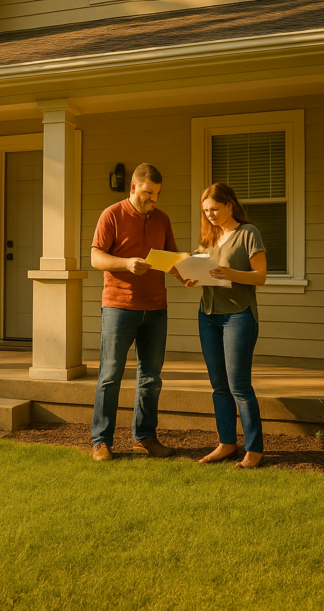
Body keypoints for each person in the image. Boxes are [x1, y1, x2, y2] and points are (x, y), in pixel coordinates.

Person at [89, 163, 188, 461]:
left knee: (151, 377)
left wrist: (187, 273)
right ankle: (101, 441)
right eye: (148, 193)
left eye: (156, 194)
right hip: (119, 307)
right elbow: (96, 257)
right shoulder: (112, 215)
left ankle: (144, 437)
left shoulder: (162, 219)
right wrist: (126, 263)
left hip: (156, 308)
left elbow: (172, 259)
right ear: (133, 187)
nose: (153, 199)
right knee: (110, 374)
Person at [191, 182, 268, 469]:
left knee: (239, 385)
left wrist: (230, 273)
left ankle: (255, 449)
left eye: (214, 209)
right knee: (219, 385)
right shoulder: (208, 237)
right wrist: (189, 277)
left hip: (238, 315)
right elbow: (203, 273)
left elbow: (260, 277)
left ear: (229, 205)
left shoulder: (248, 233)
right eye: (205, 211)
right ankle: (226, 443)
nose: (210, 215)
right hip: (208, 315)